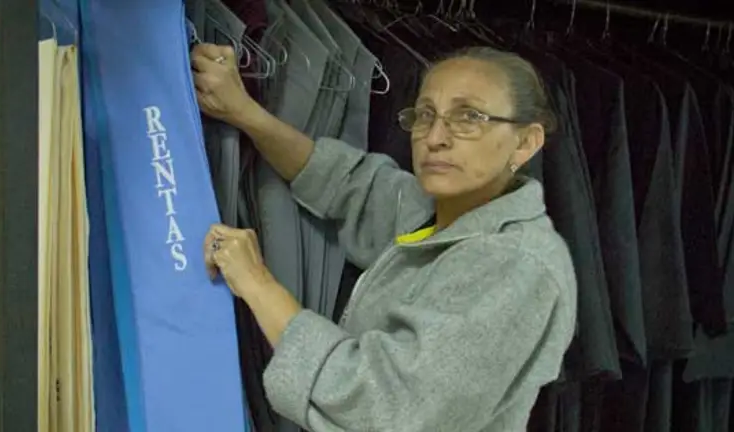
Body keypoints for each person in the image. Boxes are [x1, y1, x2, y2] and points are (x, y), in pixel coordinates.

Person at [192, 43, 577, 431]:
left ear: (526, 142)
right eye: (426, 115)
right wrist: (244, 112)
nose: (435, 137)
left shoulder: (516, 267)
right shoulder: (441, 212)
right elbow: (345, 182)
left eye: (468, 117)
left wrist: (257, 283)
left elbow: (388, 408)